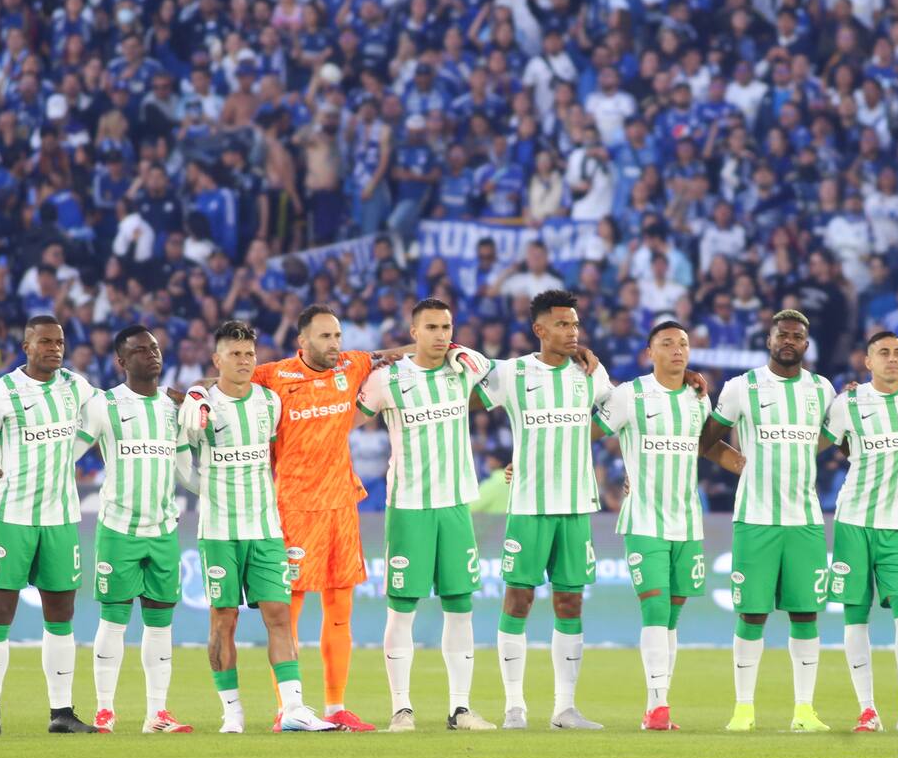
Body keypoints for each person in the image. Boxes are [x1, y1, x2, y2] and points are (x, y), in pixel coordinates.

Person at [186, 320, 335, 733]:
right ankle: (231, 713)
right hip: (218, 531)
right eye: (234, 354)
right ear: (217, 360)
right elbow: (183, 458)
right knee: (223, 619)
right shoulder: (201, 405)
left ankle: (293, 710)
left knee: (279, 615)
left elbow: (272, 453)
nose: (244, 361)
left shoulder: (269, 403)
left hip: (266, 528)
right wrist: (204, 489)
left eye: (250, 354)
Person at [594, 320, 744, 730]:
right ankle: (658, 706)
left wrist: (747, 468)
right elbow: (587, 432)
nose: (677, 350)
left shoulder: (698, 398)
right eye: (667, 343)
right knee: (656, 609)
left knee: (673, 617)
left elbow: (707, 447)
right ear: (650, 352)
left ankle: (656, 703)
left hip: (687, 522)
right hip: (644, 519)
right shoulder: (631, 395)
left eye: (683, 343)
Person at [356, 298, 496, 732]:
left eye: (447, 326)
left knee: (461, 608)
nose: (441, 335)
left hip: (455, 506)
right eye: (431, 327)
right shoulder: (386, 380)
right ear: (412, 332)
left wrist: (456, 348)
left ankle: (460, 708)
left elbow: (486, 364)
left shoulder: (464, 369)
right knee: (402, 610)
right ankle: (402, 708)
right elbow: (342, 426)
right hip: (409, 507)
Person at [477, 289, 612, 730]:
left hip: (576, 505)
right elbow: (461, 393)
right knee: (518, 599)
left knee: (570, 602)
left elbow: (625, 413)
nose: (572, 331)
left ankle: (564, 708)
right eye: (562, 324)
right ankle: (514, 705)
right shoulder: (513, 373)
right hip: (530, 506)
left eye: (575, 324)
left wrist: (688, 380)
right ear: (539, 330)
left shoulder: (590, 373)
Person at [699, 309, 837, 733]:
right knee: (752, 614)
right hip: (755, 518)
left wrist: (794, 457)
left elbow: (835, 436)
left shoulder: (822, 389)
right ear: (769, 339)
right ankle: (743, 709)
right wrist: (741, 463)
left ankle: (804, 711)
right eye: (783, 335)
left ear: (806, 344)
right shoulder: (743, 387)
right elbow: (705, 439)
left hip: (806, 520)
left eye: (797, 336)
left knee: (806, 614)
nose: (789, 341)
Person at [0, 315, 98, 736]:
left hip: (62, 518)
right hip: (11, 517)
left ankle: (61, 712)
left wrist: (72, 454)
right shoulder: (1, 392)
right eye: (45, 341)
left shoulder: (76, 386)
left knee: (61, 613)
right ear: (26, 346)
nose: (54, 348)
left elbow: (103, 416)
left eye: (60, 341)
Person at [77, 325, 195, 733]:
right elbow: (67, 454)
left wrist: (227, 482)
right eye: (141, 350)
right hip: (118, 529)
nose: (152, 355)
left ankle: (157, 713)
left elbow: (186, 472)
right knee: (113, 620)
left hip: (163, 529)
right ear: (122, 362)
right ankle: (105, 710)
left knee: (161, 622)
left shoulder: (173, 407)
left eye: (156, 348)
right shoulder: (104, 405)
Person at [823, 331, 898, 732]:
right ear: (867, 361)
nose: (893, 359)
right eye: (883, 353)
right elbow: (822, 444)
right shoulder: (848, 403)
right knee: (856, 616)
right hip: (854, 520)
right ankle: (868, 710)